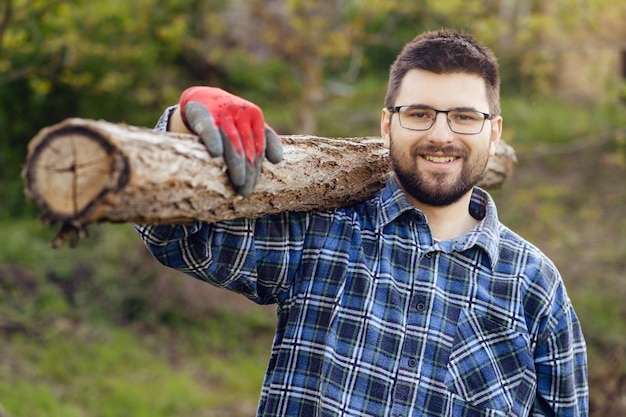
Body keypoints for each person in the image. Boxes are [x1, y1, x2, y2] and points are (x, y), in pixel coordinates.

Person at [135, 29, 588, 416]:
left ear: (495, 132)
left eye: (465, 117)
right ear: (387, 126)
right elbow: (178, 238)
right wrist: (179, 128)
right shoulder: (322, 232)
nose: (440, 135)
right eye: (420, 114)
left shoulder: (534, 287)